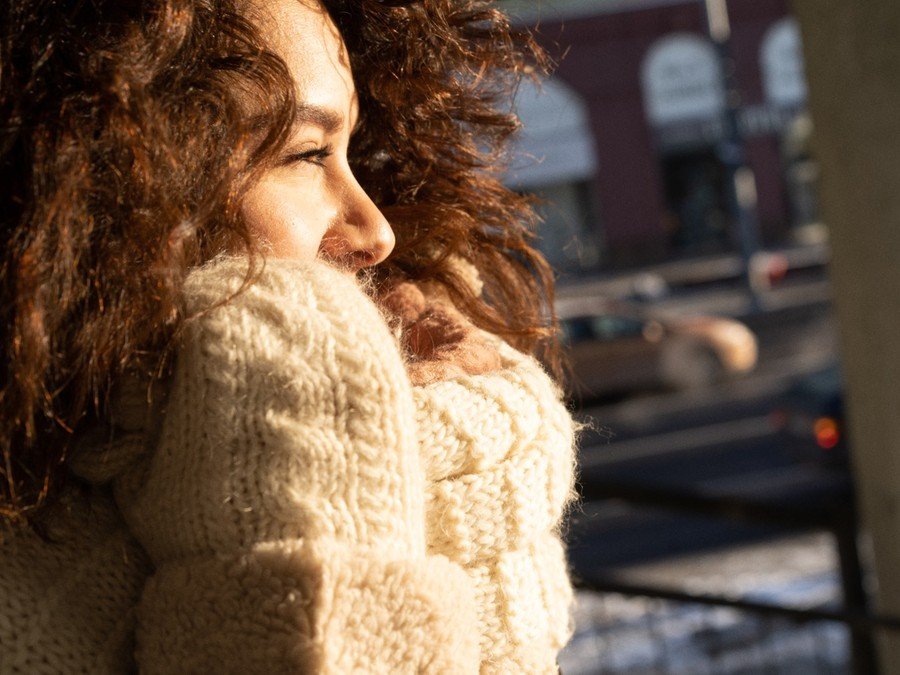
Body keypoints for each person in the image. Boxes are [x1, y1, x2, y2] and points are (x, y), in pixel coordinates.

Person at [0, 0, 577, 672]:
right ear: (114, 176)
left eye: (354, 153)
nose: (378, 231)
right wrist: (302, 417)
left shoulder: (454, 463)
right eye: (309, 153)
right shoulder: (28, 617)